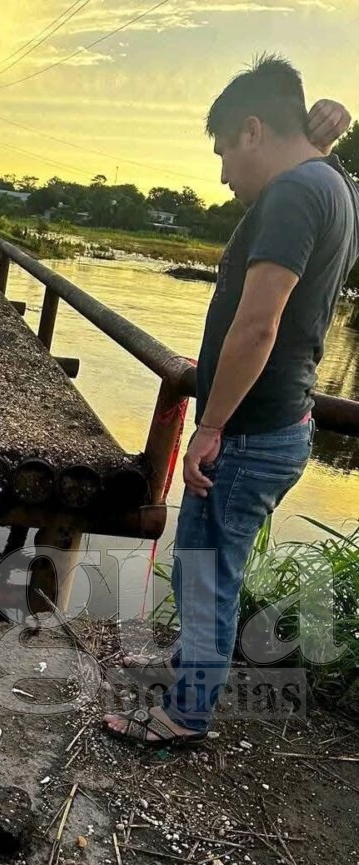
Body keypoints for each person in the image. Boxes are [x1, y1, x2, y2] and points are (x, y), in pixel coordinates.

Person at [104, 57, 358, 749]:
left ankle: (185, 715)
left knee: (209, 574)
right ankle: (188, 666)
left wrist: (210, 423)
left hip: (248, 431)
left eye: (222, 152)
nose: (221, 174)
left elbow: (259, 324)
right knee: (199, 563)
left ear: (253, 130)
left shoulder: (294, 194)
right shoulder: (333, 181)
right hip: (276, 423)